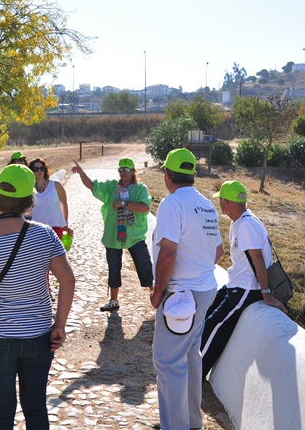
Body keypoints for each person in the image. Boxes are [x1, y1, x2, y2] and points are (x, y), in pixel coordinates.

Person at [0, 164, 75, 429]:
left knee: (1, 412)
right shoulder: (45, 235)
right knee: (35, 408)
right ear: (29, 202)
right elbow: (67, 279)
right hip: (38, 336)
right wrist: (59, 324)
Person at [151, 148, 222, 430]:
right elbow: (217, 251)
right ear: (194, 174)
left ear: (167, 175)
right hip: (204, 291)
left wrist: (159, 292)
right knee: (191, 356)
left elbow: (168, 253)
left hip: (181, 296)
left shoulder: (172, 204)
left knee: (169, 364)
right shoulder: (206, 204)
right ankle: (193, 422)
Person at [200, 181, 288, 378]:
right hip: (236, 283)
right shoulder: (240, 221)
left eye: (221, 200)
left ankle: (197, 374)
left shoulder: (246, 225)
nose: (219, 204)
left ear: (227, 202)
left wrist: (266, 294)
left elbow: (257, 259)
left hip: (247, 288)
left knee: (215, 324)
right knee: (208, 315)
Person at [72, 157, 152, 312]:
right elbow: (92, 186)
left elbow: (145, 208)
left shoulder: (141, 189)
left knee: (144, 265)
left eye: (126, 170)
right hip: (113, 235)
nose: (123, 173)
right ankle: (114, 300)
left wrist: (123, 203)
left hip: (134, 235)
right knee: (114, 268)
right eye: (120, 170)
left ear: (133, 172)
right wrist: (82, 173)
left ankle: (156, 296)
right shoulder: (111, 187)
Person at [28, 157, 68, 238]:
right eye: (36, 169)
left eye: (42, 168)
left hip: (56, 225)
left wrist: (65, 222)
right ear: (31, 171)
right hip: (37, 228)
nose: (39, 171)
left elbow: (64, 203)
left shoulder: (56, 185)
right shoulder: (29, 188)